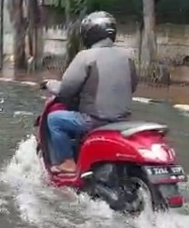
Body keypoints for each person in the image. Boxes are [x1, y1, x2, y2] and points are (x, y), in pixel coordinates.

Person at [41, 11, 138, 174]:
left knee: (54, 120)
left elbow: (66, 90)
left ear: (89, 33)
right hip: (123, 122)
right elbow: (132, 86)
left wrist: (49, 84)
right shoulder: (128, 56)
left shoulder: (86, 56)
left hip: (94, 121)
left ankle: (67, 162)